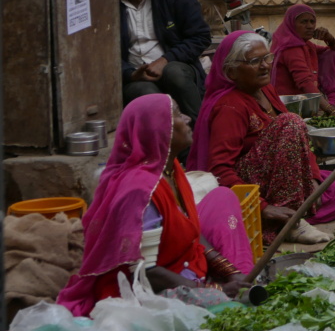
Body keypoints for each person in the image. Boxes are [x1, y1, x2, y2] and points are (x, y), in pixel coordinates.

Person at [57, 94, 253, 316]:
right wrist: (215, 290)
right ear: (160, 129)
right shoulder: (140, 191)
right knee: (228, 308)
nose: (187, 119)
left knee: (223, 198)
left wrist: (229, 271)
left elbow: (191, 230)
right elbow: (145, 271)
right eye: (178, 114)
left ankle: (241, 276)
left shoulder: (171, 169)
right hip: (150, 289)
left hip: (188, 266)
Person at [187, 31, 335, 244]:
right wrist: (262, 207)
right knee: (289, 123)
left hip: (281, 178)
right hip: (254, 186)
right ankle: (284, 221)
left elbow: (301, 147)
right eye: (254, 61)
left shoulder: (266, 90)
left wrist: (314, 178)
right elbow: (219, 170)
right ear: (231, 71)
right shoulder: (230, 107)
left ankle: (290, 217)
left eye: (266, 58)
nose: (264, 66)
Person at [117, 0, 211, 122]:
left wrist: (165, 60)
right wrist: (129, 72)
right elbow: (103, 53)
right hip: (135, 75)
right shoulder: (110, 4)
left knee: (174, 74)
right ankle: (161, 145)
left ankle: (199, 133)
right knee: (146, 93)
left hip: (174, 66)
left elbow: (200, 37)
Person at [271, 4, 335, 112]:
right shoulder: (291, 49)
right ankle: (329, 105)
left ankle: (332, 100)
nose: (310, 26)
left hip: (305, 99)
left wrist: (330, 39)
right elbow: (305, 82)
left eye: (312, 22)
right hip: (291, 105)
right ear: (292, 24)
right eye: (304, 22)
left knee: (332, 55)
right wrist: (331, 111)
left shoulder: (307, 45)